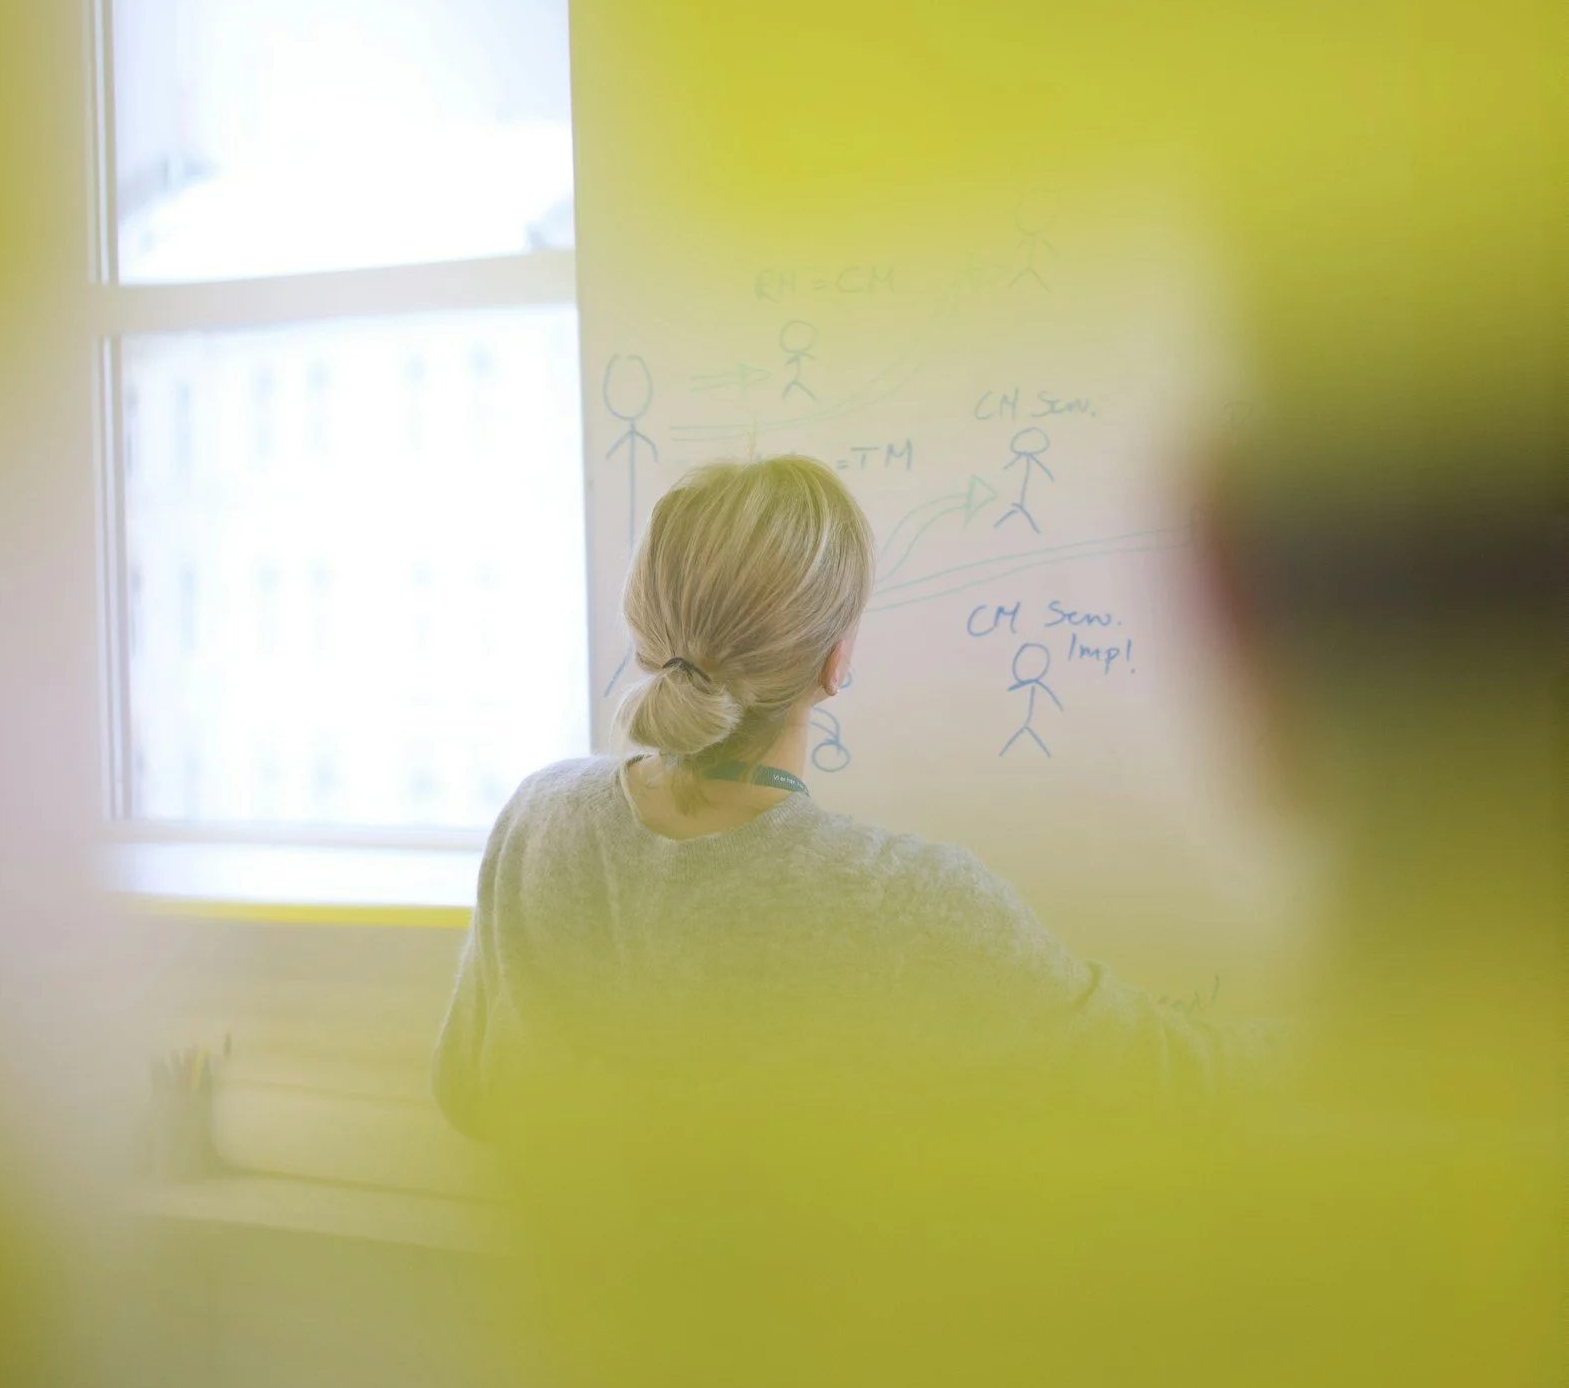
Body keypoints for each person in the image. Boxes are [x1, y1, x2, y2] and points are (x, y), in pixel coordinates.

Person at [433, 456, 1215, 1139]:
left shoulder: (537, 815)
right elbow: (1155, 1076)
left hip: (556, 1294)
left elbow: (467, 1095)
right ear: (836, 662)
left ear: (647, 633)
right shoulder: (915, 903)